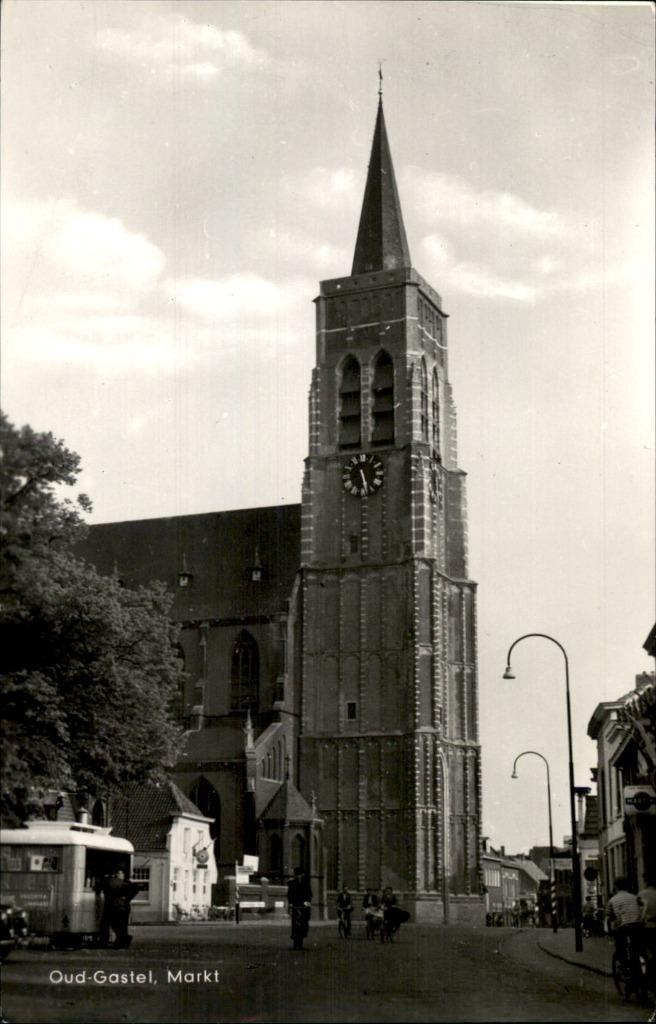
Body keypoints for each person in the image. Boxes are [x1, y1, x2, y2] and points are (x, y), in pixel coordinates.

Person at [607, 877, 642, 971]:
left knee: (620, 946)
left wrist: (610, 931)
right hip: (637, 926)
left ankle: (625, 966)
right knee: (637, 948)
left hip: (624, 927)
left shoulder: (613, 900)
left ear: (616, 887)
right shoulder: (635, 897)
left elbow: (609, 917)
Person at [101, 867, 140, 949]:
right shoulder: (125, 883)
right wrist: (127, 899)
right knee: (122, 925)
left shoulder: (109, 881)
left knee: (112, 925)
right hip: (122, 907)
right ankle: (122, 942)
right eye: (121, 873)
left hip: (111, 906)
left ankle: (110, 942)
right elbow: (136, 888)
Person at [638, 870, 656, 990]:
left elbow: (639, 913)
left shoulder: (642, 894)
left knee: (643, 952)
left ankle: (646, 977)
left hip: (647, 928)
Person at [287, 867, 312, 945]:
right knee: (294, 920)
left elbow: (309, 894)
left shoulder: (306, 883)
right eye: (297, 875)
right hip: (295, 904)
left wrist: (308, 904)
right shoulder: (291, 883)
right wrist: (290, 904)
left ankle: (304, 933)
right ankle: (294, 934)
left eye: (300, 875)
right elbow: (289, 895)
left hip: (304, 904)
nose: (298, 876)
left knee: (305, 919)